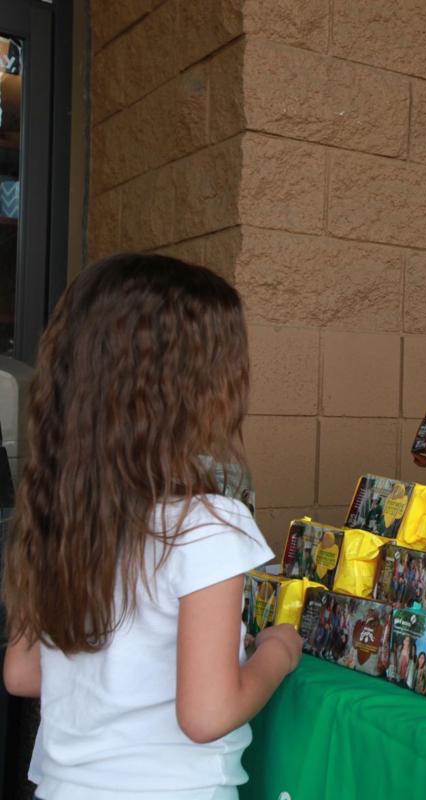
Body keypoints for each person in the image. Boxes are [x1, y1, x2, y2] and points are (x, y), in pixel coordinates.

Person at [1, 253, 303, 800]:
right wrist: (276, 655)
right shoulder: (208, 525)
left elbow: (23, 673)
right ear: (195, 390)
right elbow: (207, 714)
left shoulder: (60, 512)